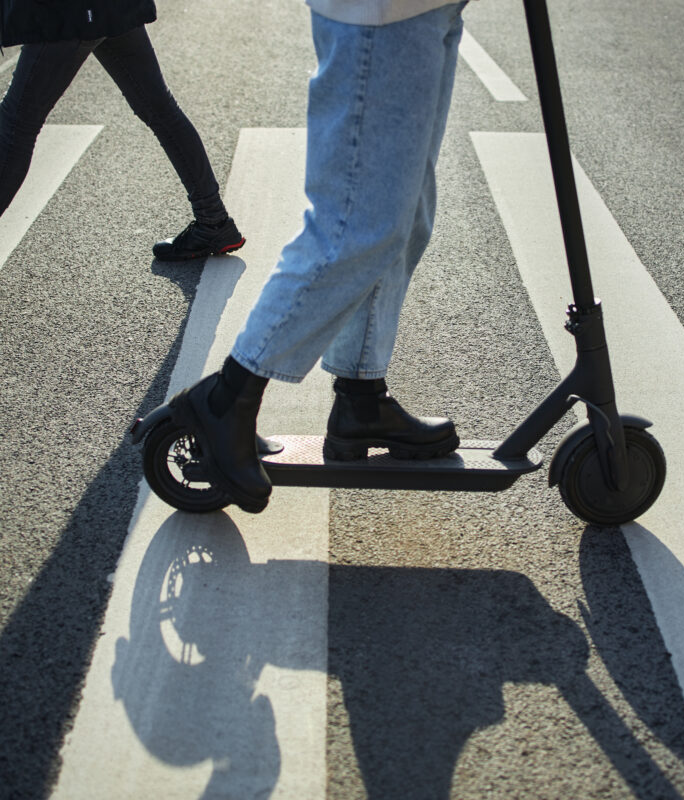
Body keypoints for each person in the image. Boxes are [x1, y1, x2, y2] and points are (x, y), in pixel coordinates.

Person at [164, 1, 469, 514]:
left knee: (405, 215)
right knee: (355, 223)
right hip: (380, 12)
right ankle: (226, 398)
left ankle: (361, 398)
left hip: (431, 10)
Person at [0, 0, 242, 281]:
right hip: (108, 7)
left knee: (18, 123)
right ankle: (213, 221)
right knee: (161, 110)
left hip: (67, 10)